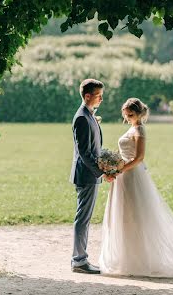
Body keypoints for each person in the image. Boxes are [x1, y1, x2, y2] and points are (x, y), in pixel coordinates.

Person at [99, 97, 173, 277]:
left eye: (130, 114)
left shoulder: (139, 129)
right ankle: (128, 257)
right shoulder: (132, 127)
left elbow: (139, 157)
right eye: (125, 114)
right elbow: (125, 152)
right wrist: (111, 167)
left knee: (137, 214)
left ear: (139, 113)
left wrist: (119, 170)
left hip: (132, 175)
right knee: (125, 215)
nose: (126, 117)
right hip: (123, 174)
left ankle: (142, 258)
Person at [70, 78, 114, 274]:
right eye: (98, 96)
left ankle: (80, 259)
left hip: (90, 174)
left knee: (85, 218)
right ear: (88, 96)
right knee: (83, 218)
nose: (101, 99)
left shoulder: (89, 115)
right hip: (86, 175)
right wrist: (102, 172)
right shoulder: (81, 118)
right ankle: (79, 260)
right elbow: (84, 153)